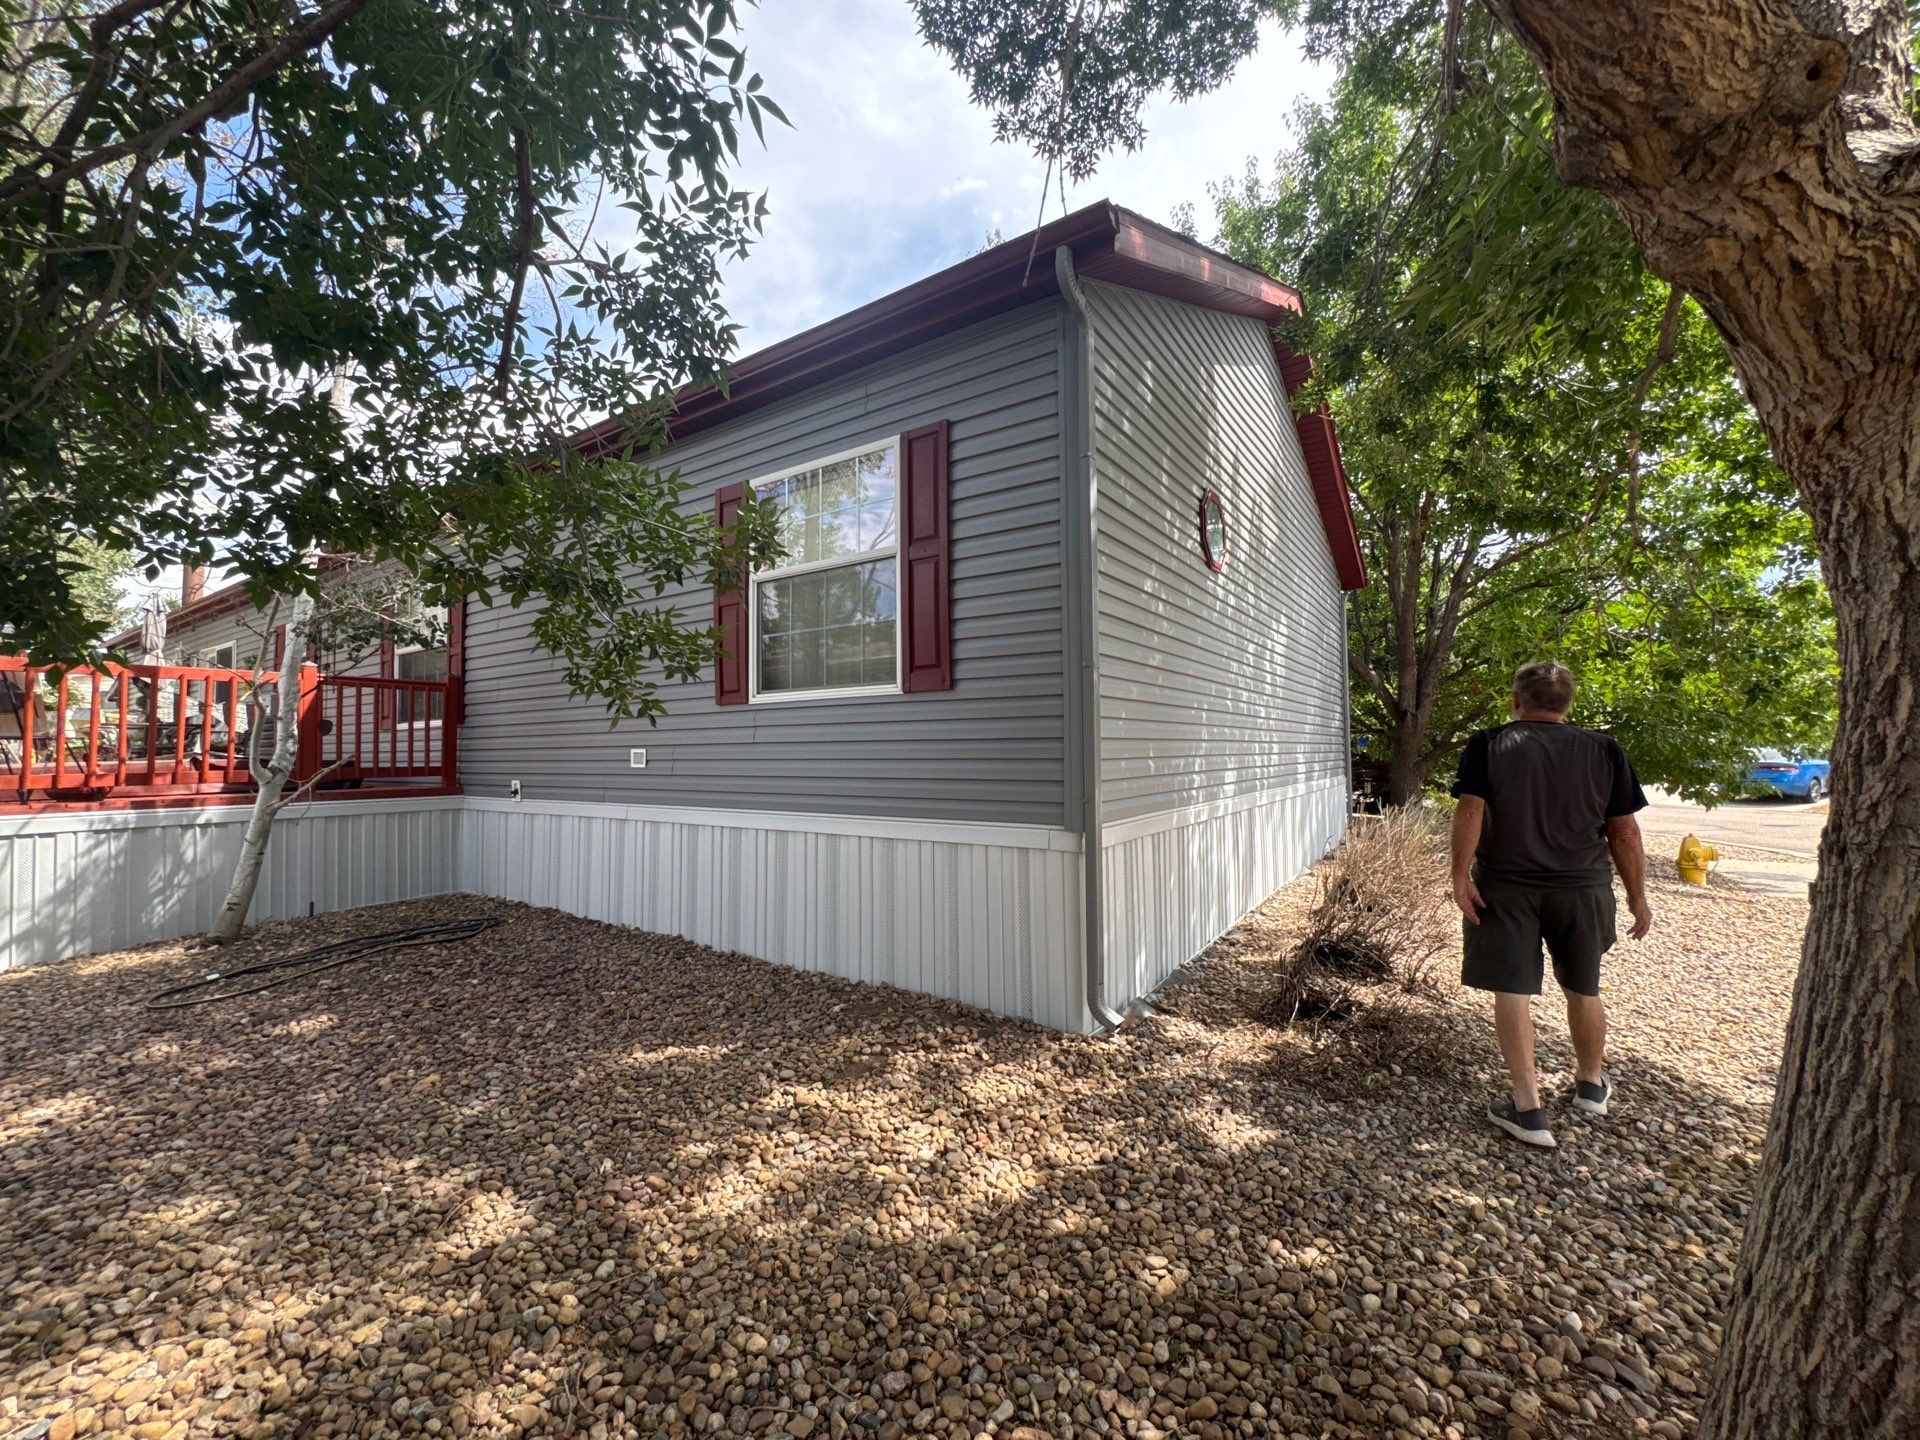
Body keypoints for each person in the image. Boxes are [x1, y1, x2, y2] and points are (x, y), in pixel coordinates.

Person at [1450, 661, 1652, 1148]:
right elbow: (1623, 831)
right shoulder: (1604, 749)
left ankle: (1528, 1109)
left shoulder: (1489, 744)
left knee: (1512, 993)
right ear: (1567, 705)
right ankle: (1590, 1085)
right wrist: (1637, 896)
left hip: (1505, 888)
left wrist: (1459, 876)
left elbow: (1471, 809)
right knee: (1584, 986)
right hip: (1583, 890)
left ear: (1516, 700)